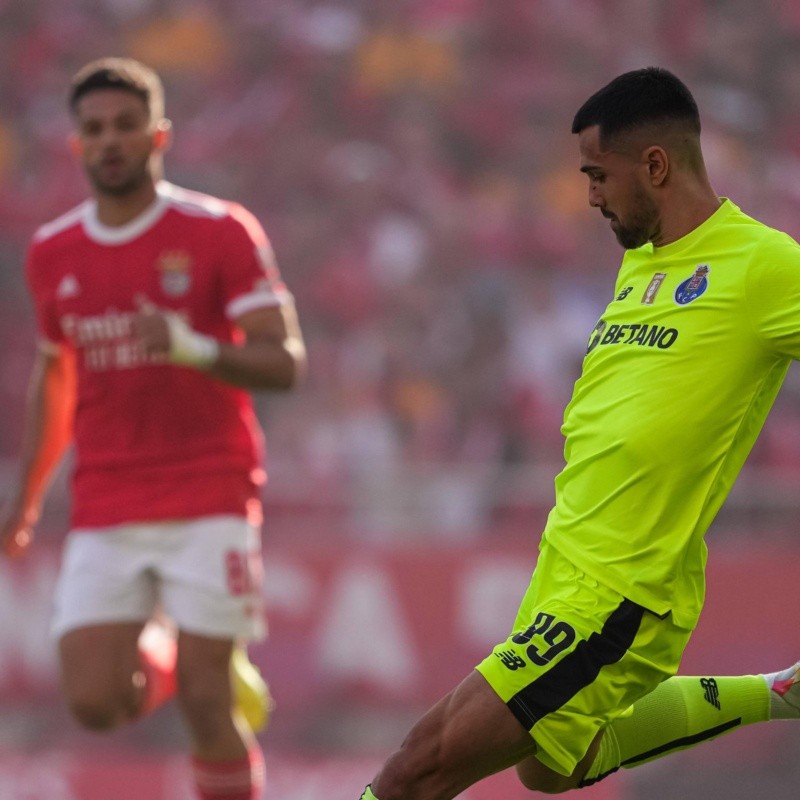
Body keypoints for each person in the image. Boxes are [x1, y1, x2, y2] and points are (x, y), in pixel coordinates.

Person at [358, 67, 800, 800]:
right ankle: (781, 693)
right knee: (553, 766)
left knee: (415, 769)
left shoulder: (764, 267)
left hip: (623, 587)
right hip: (562, 566)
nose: (589, 195)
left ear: (655, 165)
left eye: (599, 175)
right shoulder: (643, 260)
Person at [0, 57, 306, 800]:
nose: (111, 141)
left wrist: (192, 346)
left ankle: (208, 666)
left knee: (208, 704)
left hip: (211, 488)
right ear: (76, 145)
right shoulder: (53, 252)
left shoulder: (219, 230)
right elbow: (58, 376)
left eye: (126, 127)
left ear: (158, 136)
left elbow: (285, 361)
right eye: (95, 130)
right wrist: (28, 498)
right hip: (109, 497)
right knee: (95, 703)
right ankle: (174, 651)